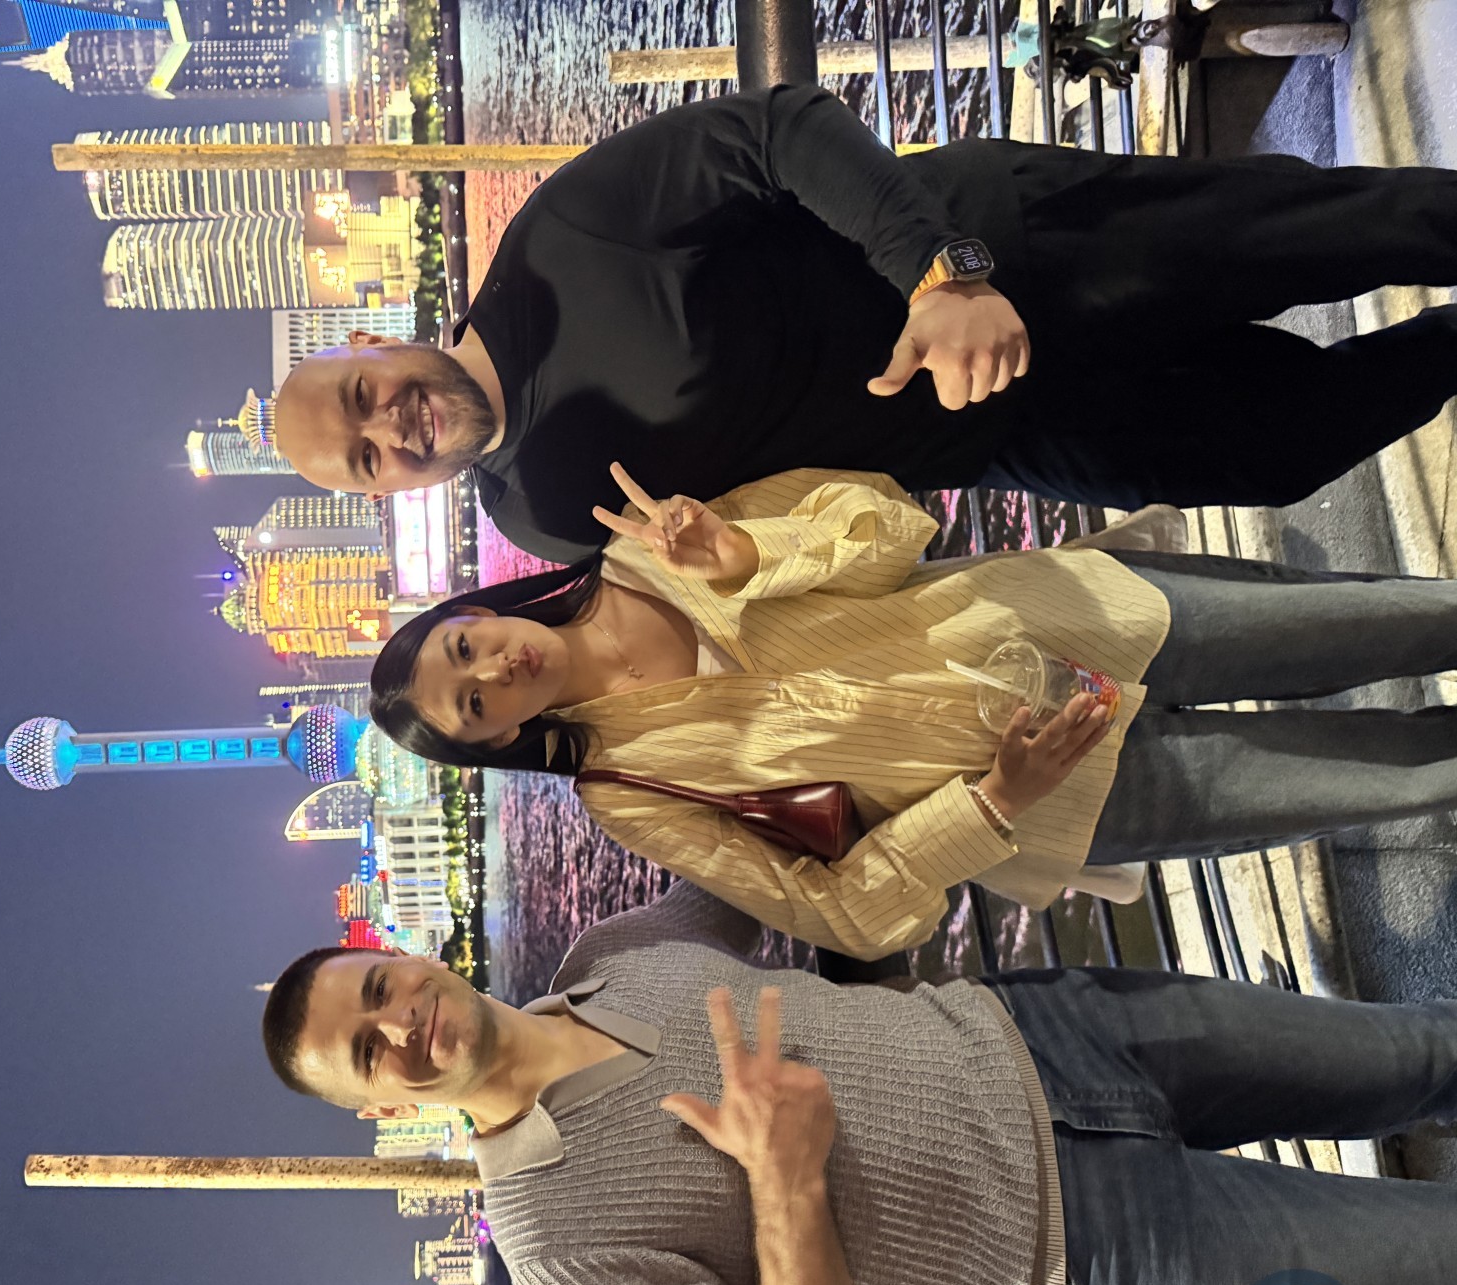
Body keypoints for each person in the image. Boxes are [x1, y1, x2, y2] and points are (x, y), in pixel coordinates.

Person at [260, 881, 1457, 1285]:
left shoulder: (613, 955)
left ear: (407, 956)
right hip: (1095, 1259)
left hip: (1055, 1027)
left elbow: (781, 849)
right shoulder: (554, 1253)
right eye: (369, 1052)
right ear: (385, 1106)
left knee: (1421, 1051)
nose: (401, 1022)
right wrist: (785, 1186)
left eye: (380, 987)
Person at [268, 84, 1457, 563]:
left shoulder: (561, 242)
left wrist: (942, 280)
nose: (394, 426)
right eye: (368, 457)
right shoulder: (540, 517)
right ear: (384, 493)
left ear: (371, 346)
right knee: (1284, 447)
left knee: (1350, 235)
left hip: (1014, 250)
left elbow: (780, 130)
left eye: (364, 397)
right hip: (1000, 435)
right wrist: (727, 569)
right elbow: (759, 565)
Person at [368, 462, 1457, 959]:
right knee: (1397, 776)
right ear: (498, 739)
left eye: (464, 647)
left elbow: (890, 523)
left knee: (1388, 622)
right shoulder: (628, 794)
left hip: (1075, 616)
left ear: (473, 610)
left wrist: (745, 551)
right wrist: (990, 807)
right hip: (1070, 793)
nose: (494, 670)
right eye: (474, 704)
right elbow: (835, 911)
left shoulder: (648, 547)